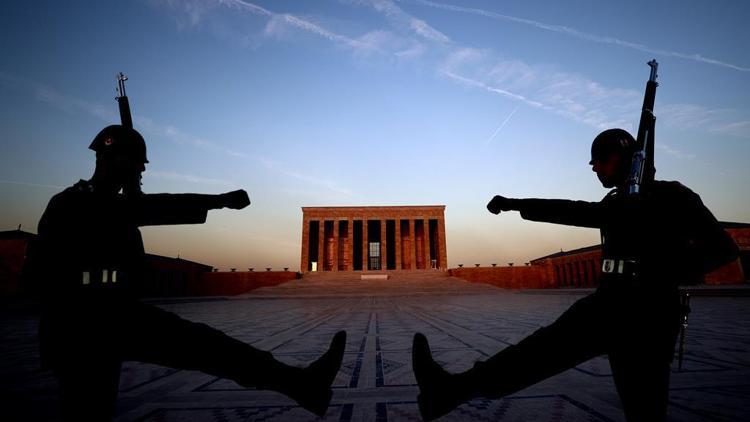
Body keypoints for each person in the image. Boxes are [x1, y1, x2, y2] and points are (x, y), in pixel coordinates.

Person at [412, 128, 739, 421]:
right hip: (609, 304)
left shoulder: (673, 196)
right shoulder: (618, 202)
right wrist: (514, 203)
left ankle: (446, 393)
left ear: (624, 159)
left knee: (644, 405)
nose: (595, 167)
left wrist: (663, 270)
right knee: (533, 354)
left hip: (649, 313)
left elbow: (723, 248)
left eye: (601, 160)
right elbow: (572, 209)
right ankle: (447, 392)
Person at [28, 125, 346, 421]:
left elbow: (147, 206)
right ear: (117, 160)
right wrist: (218, 201)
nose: (142, 170)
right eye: (139, 162)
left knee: (209, 347)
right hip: (82, 324)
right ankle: (304, 385)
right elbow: (155, 206)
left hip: (112, 314)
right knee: (90, 403)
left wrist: (216, 202)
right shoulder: (77, 203)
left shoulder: (110, 203)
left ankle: (304, 385)